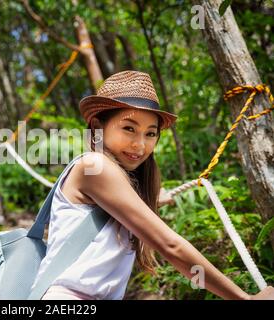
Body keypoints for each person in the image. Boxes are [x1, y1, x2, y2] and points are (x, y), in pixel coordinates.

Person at [31, 70, 273, 300]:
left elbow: (119, 208)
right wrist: (244, 297)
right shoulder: (95, 166)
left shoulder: (112, 176)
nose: (140, 145)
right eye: (129, 129)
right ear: (97, 127)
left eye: (150, 133)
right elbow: (171, 246)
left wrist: (154, 199)